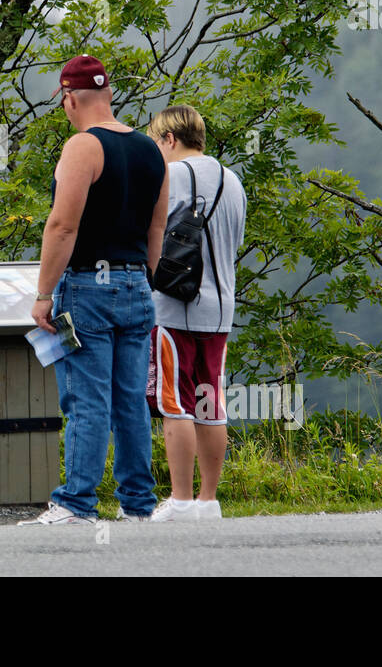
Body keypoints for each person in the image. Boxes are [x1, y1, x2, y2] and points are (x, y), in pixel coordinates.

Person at [20, 55, 168, 525]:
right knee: (130, 400)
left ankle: (75, 503)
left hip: (87, 287)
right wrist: (142, 281)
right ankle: (138, 505)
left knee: (86, 400)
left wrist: (44, 293)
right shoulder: (150, 149)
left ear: (69, 98)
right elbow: (157, 229)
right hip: (135, 285)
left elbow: (62, 225)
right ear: (108, 95)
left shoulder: (82, 147)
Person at [145, 105, 246, 522]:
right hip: (220, 307)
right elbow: (234, 240)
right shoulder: (233, 180)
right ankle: (209, 500)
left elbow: (151, 236)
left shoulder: (170, 177)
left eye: (156, 142)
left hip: (175, 305)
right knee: (211, 402)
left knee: (175, 402)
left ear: (170, 138)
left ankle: (180, 499)